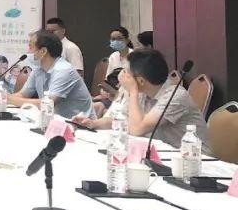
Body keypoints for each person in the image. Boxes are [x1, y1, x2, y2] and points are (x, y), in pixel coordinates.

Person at [73, 49, 209, 151]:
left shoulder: (175, 96)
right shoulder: (141, 91)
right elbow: (120, 120)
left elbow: (137, 129)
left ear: (141, 81)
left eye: (126, 72)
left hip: (196, 160)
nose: (122, 75)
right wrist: (93, 123)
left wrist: (132, 92)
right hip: (163, 154)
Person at [8, 30, 93, 118]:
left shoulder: (63, 70)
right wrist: (3, 97)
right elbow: (22, 95)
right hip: (53, 120)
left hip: (80, 124)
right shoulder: (38, 70)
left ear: (43, 51)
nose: (28, 52)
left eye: (30, 47)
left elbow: (47, 104)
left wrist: (9, 99)